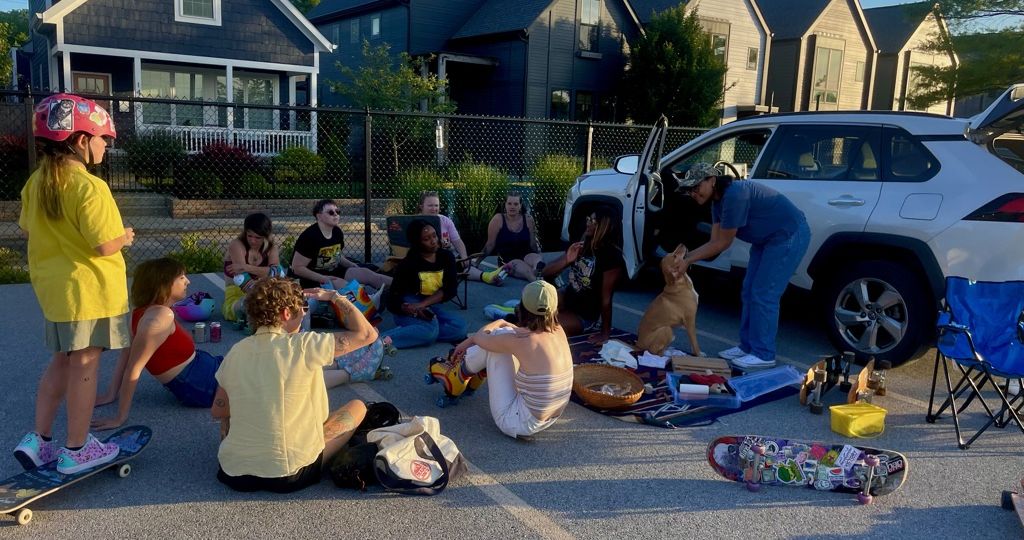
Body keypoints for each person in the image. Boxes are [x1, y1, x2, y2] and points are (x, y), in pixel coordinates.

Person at [13, 94, 133, 474]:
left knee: (62, 362)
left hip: (56, 293)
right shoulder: (90, 187)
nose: (104, 146)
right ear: (81, 140)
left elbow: (30, 231)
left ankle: (40, 441)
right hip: (90, 292)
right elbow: (103, 243)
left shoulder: (36, 182)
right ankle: (77, 449)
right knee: (85, 366)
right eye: (102, 139)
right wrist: (126, 236)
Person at [212, 278, 375, 493]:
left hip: (234, 472)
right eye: (302, 309)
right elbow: (367, 334)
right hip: (288, 473)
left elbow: (219, 410)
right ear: (286, 313)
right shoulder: (304, 345)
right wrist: (335, 297)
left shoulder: (236, 351)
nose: (304, 314)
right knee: (358, 406)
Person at [674, 162, 810, 370]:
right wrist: (686, 258)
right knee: (749, 290)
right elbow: (714, 241)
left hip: (788, 235)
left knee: (764, 293)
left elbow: (722, 243)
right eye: (689, 190)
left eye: (696, 187)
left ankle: (764, 354)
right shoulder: (717, 203)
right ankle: (748, 347)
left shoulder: (735, 195)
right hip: (766, 240)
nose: (693, 193)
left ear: (712, 180)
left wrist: (687, 260)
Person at [90, 258, 222, 431]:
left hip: (201, 369)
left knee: (254, 363)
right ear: (164, 284)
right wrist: (120, 418)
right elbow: (133, 368)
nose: (187, 281)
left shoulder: (142, 312)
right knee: (261, 377)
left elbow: (126, 355)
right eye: (181, 277)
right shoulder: (159, 318)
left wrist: (111, 394)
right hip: (199, 384)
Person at [434, 280, 573, 439]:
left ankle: (457, 375)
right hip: (550, 417)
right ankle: (472, 370)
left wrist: (498, 322)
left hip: (518, 423)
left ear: (523, 306)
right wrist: (505, 325)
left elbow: (480, 337)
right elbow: (518, 333)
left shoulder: (522, 341)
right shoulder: (558, 330)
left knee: (497, 339)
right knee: (504, 336)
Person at [540, 206, 624, 343]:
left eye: (594, 221)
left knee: (542, 327)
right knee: (531, 305)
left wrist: (605, 333)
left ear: (605, 226)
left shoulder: (612, 257)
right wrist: (567, 260)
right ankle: (523, 311)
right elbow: (546, 273)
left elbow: (606, 299)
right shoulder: (582, 243)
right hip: (566, 299)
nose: (588, 223)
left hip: (584, 315)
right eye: (589, 219)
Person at [382, 218, 468, 349]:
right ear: (417, 243)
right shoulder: (408, 264)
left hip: (428, 304)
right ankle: (379, 341)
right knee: (430, 332)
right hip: (409, 305)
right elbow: (392, 297)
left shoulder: (446, 257)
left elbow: (450, 289)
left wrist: (422, 305)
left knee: (460, 328)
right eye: (426, 239)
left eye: (434, 235)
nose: (434, 241)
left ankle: (417, 332)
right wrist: (407, 308)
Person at [291, 199, 391, 291]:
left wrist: (352, 265)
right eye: (330, 212)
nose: (335, 215)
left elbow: (336, 255)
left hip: (333, 272)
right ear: (319, 216)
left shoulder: (337, 232)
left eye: (337, 212)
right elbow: (297, 268)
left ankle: (402, 286)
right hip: (311, 278)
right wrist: (323, 278)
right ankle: (368, 304)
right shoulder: (310, 237)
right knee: (348, 287)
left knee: (367, 274)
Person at [418, 191, 510, 285]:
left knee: (464, 264)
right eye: (430, 206)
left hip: (445, 258)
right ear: (421, 207)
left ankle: (487, 276)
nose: (434, 209)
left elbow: (457, 241)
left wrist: (464, 256)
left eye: (436, 205)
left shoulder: (445, 220)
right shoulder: (414, 223)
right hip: (424, 261)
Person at [222, 213, 282, 322]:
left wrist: (246, 267)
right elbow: (241, 279)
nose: (253, 241)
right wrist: (264, 296)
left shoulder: (271, 248)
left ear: (266, 236)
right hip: (237, 297)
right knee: (251, 306)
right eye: (249, 236)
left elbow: (278, 273)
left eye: (258, 237)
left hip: (263, 292)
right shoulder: (237, 245)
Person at [476, 192, 543, 281]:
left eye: (516, 204)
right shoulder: (498, 220)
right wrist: (477, 263)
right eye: (509, 203)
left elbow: (533, 243)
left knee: (537, 260)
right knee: (526, 270)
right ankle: (537, 281)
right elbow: (490, 245)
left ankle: (538, 270)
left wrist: (538, 255)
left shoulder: (528, 219)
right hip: (509, 260)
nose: (512, 207)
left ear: (520, 205)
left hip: (526, 255)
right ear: (505, 205)